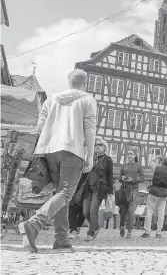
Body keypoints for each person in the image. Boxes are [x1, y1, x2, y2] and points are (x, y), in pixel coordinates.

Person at [19, 69, 97, 253]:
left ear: (69, 82)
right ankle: (34, 224)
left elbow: (40, 125)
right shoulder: (87, 99)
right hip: (72, 148)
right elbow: (90, 128)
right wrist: (91, 155)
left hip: (49, 150)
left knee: (60, 195)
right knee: (65, 193)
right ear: (85, 83)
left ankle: (61, 239)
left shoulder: (51, 99)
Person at [82, 137, 113, 241]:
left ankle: (90, 233)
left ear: (105, 147)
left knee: (93, 211)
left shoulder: (108, 160)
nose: (97, 146)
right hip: (88, 188)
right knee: (85, 212)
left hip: (99, 188)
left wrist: (110, 191)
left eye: (100, 145)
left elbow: (110, 175)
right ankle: (95, 227)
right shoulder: (91, 159)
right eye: (95, 145)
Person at [141, 156, 167, 238]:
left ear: (163, 162)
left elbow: (150, 163)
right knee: (161, 213)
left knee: (149, 211)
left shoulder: (157, 167)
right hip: (164, 193)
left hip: (154, 192)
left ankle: (147, 232)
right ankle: (158, 232)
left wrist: (157, 158)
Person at [119, 149, 144, 239]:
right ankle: (122, 226)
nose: (129, 155)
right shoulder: (124, 166)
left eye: (131, 154)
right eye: (128, 154)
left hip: (133, 189)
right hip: (124, 189)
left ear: (135, 156)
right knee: (122, 210)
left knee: (130, 211)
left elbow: (142, 179)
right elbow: (119, 178)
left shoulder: (138, 166)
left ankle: (129, 232)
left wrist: (132, 180)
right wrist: (122, 178)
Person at [68, 171, 88, 239]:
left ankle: (76, 229)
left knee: (82, 212)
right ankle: (74, 230)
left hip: (83, 192)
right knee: (73, 210)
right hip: (75, 190)